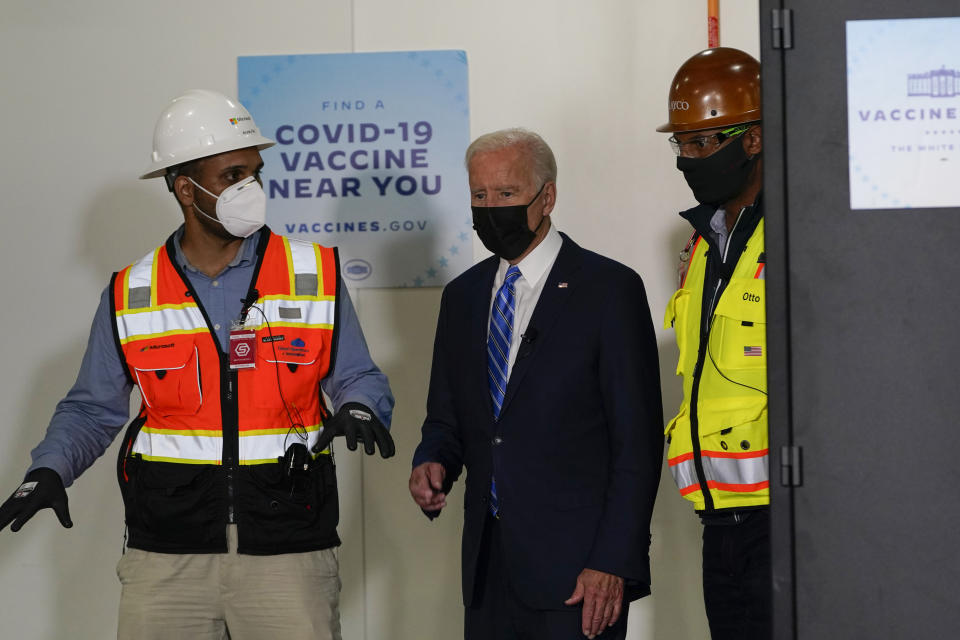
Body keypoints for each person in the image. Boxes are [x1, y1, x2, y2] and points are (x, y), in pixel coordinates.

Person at [0, 89, 395, 640]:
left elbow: (358, 374)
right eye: (233, 174)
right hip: (166, 558)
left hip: (288, 551)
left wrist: (361, 406)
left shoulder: (315, 274)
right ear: (187, 189)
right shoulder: (132, 292)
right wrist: (48, 469)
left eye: (255, 172)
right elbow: (92, 408)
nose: (250, 189)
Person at [408, 128, 663, 640]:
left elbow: (638, 442)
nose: (489, 208)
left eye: (505, 194)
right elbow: (448, 416)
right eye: (479, 196)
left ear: (546, 196)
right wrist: (432, 460)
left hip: (580, 576)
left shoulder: (609, 290)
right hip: (488, 571)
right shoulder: (462, 298)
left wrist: (612, 561)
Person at [657, 48, 770, 639]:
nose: (688, 161)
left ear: (752, 139)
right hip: (716, 517)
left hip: (787, 520)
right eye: (681, 145)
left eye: (702, 143)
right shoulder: (703, 246)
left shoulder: (799, 232)